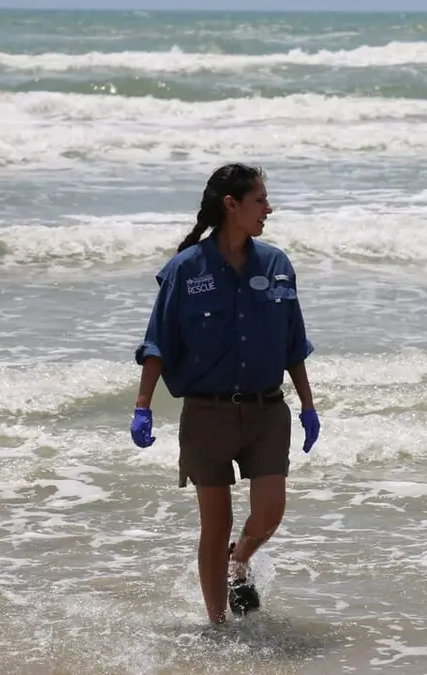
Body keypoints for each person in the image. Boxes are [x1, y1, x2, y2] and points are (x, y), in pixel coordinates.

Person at [128, 163, 321, 624]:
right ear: (230, 205)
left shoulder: (276, 265)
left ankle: (241, 561)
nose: (268, 209)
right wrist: (142, 408)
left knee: (270, 514)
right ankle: (218, 625)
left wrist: (309, 406)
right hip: (206, 415)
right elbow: (158, 343)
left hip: (266, 411)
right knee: (215, 527)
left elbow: (294, 344)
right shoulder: (185, 269)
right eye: (260, 200)